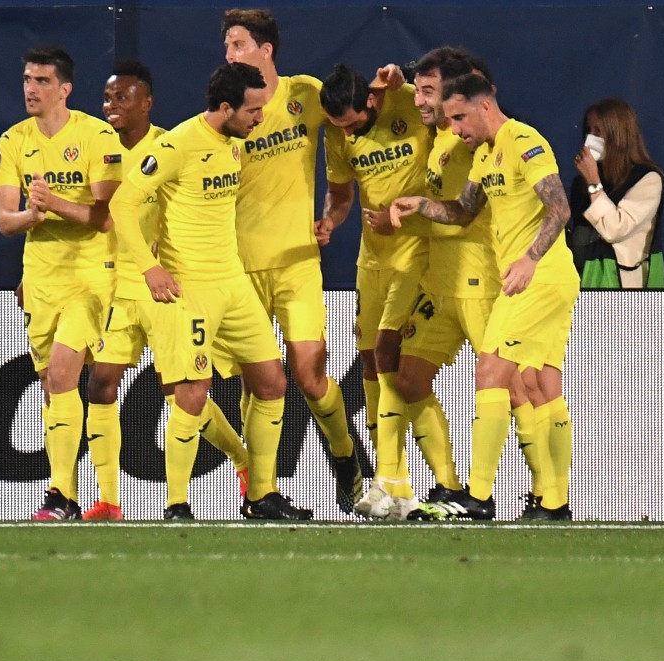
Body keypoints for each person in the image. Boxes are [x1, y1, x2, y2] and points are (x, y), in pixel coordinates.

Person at [109, 62, 311, 520]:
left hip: (234, 284)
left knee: (272, 382)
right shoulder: (177, 145)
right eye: (254, 111)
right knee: (192, 393)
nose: (260, 119)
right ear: (226, 108)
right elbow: (123, 204)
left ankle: (260, 494)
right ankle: (177, 504)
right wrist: (150, 269)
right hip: (191, 288)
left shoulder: (234, 145)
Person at [379, 47, 557, 519]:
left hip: (485, 281)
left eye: (431, 92)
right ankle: (451, 486)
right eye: (419, 91)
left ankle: (544, 492)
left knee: (516, 386)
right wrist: (417, 203)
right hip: (440, 284)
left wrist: (531, 260)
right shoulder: (445, 139)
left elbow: (540, 206)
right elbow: (457, 208)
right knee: (409, 377)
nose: (422, 101)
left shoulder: (484, 140)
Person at [81, 59, 250, 521]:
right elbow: (103, 220)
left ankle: (243, 462)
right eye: (108, 97)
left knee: (181, 394)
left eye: (123, 96)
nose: (112, 105)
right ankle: (109, 499)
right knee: (100, 382)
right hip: (121, 287)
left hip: (167, 286)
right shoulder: (99, 150)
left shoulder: (171, 146)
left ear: (148, 102)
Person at [220, 8, 361, 513]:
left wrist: (334, 215)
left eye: (238, 44)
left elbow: (353, 125)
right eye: (228, 45)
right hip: (239, 266)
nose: (230, 53)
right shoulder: (227, 110)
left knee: (311, 374)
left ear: (266, 50)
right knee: (257, 382)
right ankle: (260, 490)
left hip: (298, 261)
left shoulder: (305, 94)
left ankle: (345, 455)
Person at [0, 46, 123, 520]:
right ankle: (69, 493)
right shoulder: (13, 141)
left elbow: (106, 218)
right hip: (41, 278)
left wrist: (54, 204)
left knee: (66, 373)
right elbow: (7, 222)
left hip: (91, 276)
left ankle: (59, 494)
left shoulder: (95, 135)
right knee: (52, 384)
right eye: (28, 79)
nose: (31, 88)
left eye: (42, 81)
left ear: (65, 89)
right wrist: (33, 213)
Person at [317, 63, 439, 519]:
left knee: (390, 352)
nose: (346, 132)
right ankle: (399, 486)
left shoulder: (405, 101)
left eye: (350, 123)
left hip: (418, 251)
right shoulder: (337, 135)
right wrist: (330, 219)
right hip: (372, 259)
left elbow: (441, 98)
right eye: (337, 126)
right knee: (370, 359)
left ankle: (391, 476)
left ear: (368, 102)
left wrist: (402, 75)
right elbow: (343, 194)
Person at [566, 98, 664, 289]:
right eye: (588, 131)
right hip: (583, 278)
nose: (590, 139)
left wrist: (594, 183)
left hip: (622, 286)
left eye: (598, 132)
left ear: (618, 135)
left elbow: (614, 229)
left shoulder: (647, 179)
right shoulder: (582, 183)